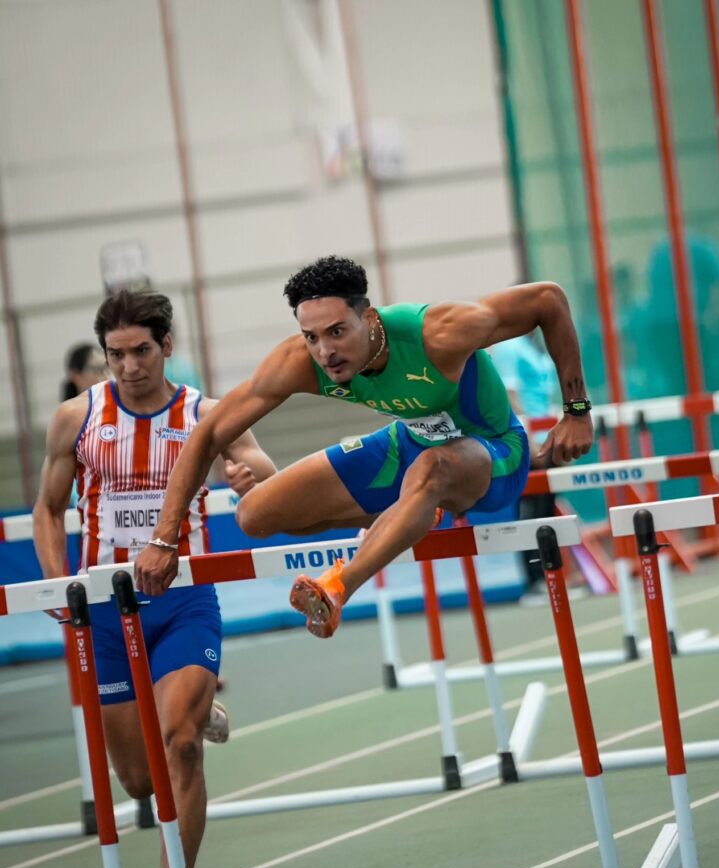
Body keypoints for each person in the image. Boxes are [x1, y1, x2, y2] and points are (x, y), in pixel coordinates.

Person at [134, 255, 594, 639]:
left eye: (337, 331)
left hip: (493, 453)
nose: (325, 352)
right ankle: (412, 511)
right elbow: (207, 434)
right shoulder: (300, 362)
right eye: (311, 336)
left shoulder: (439, 333)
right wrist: (163, 538)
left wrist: (576, 410)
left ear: (369, 319)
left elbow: (547, 299)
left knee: (432, 468)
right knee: (254, 514)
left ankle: (338, 587)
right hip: (409, 443)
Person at [33, 290, 276, 868]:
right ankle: (195, 710)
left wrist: (243, 474)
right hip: (106, 611)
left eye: (141, 350)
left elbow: (267, 476)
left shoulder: (207, 413)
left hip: (184, 600)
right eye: (116, 354)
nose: (130, 365)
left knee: (181, 749)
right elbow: (48, 511)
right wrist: (62, 592)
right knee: (140, 784)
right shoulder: (77, 420)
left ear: (166, 346)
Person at [489, 331, 559, 604]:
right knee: (529, 512)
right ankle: (533, 582)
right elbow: (508, 396)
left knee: (547, 512)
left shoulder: (538, 347)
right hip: (527, 443)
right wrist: (527, 441)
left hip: (547, 439)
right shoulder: (508, 347)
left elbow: (545, 397)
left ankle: (552, 576)